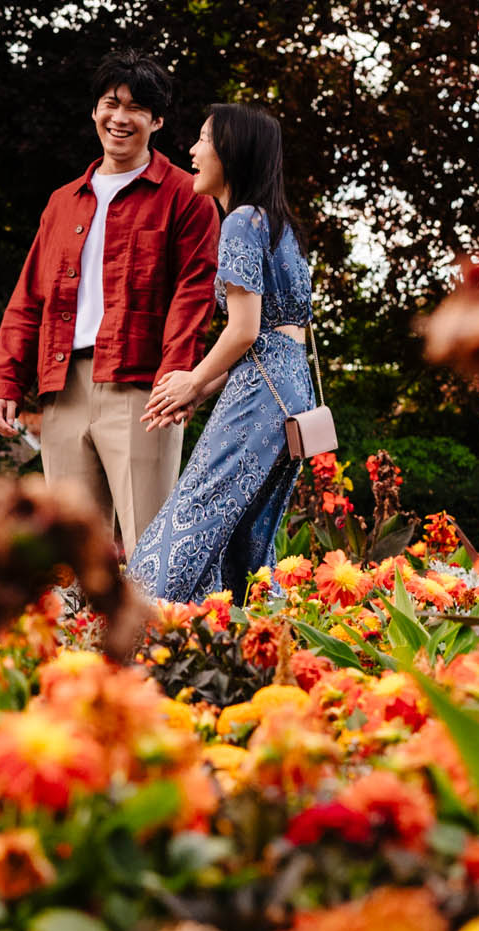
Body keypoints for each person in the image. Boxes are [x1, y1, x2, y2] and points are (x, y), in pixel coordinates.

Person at [0, 54, 222, 551]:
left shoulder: (187, 195)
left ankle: (158, 633)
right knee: (73, 553)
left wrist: (176, 379)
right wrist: (6, 378)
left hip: (142, 390)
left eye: (136, 108)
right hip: (62, 388)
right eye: (110, 104)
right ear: (95, 110)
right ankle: (79, 634)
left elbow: (194, 293)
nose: (120, 117)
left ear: (156, 121)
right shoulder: (62, 201)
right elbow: (29, 296)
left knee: (150, 546)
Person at [127, 104, 317, 601]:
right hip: (292, 390)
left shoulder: (239, 223)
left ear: (231, 151)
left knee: (193, 515)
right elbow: (273, 335)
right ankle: (256, 641)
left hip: (261, 391)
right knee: (248, 536)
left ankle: (131, 628)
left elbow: (246, 330)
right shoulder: (281, 226)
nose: (191, 151)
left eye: (204, 139)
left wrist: (191, 379)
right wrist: (203, 389)